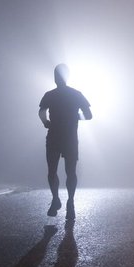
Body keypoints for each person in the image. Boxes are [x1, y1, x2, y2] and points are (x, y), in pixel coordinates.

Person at [38, 63, 92, 220]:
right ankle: (67, 202)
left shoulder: (50, 94)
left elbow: (41, 111)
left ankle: (60, 200)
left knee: (54, 171)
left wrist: (45, 122)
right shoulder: (76, 94)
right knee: (68, 172)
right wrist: (75, 117)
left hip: (56, 135)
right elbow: (88, 115)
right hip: (67, 137)